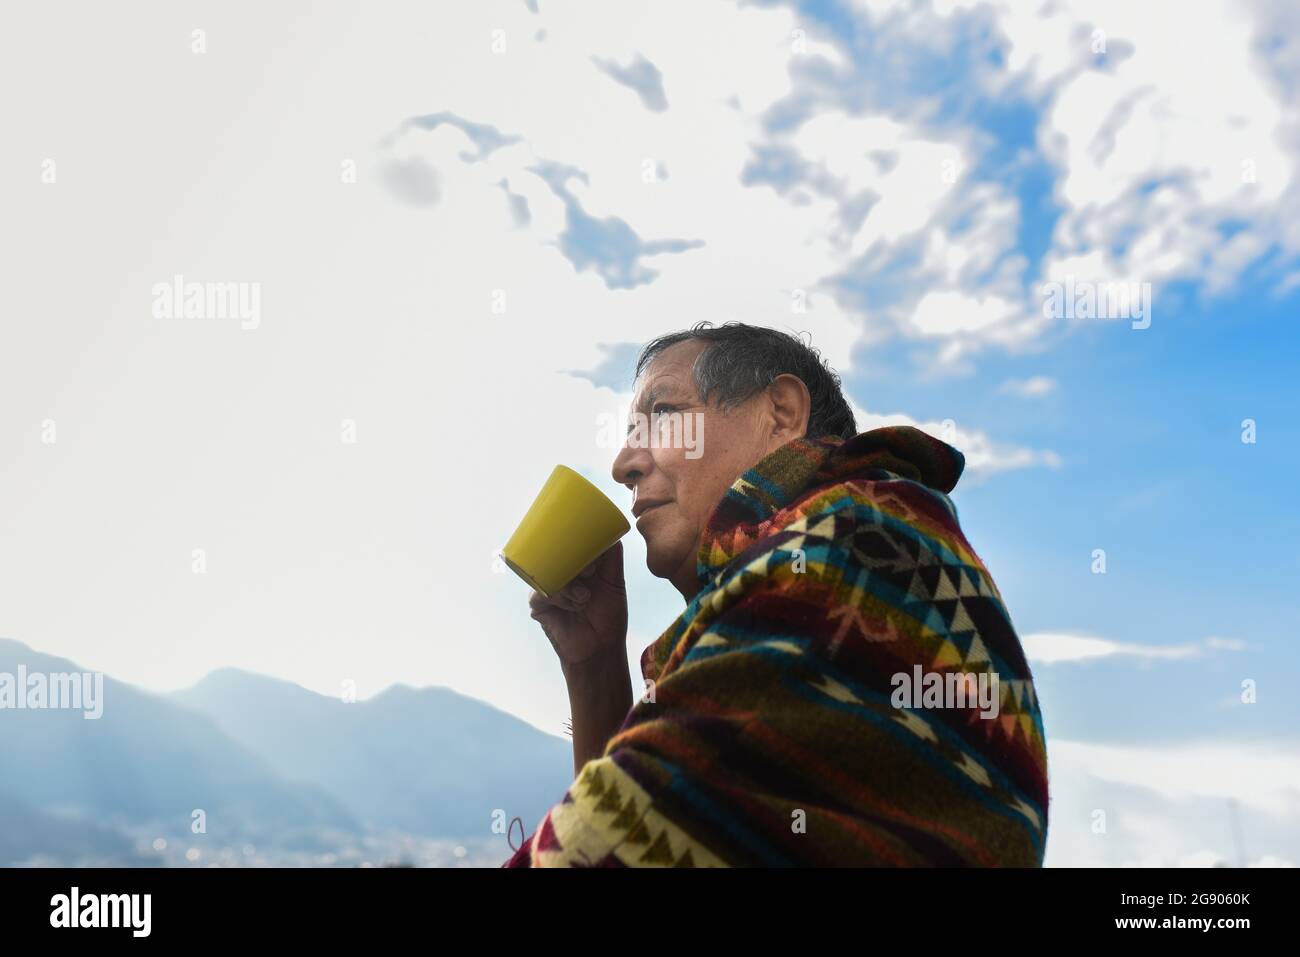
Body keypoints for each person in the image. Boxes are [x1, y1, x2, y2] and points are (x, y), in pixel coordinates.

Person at [503, 321, 1049, 866]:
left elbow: (625, 838)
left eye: (663, 415)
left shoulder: (860, 542)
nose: (624, 464)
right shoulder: (850, 546)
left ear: (781, 414)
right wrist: (595, 666)